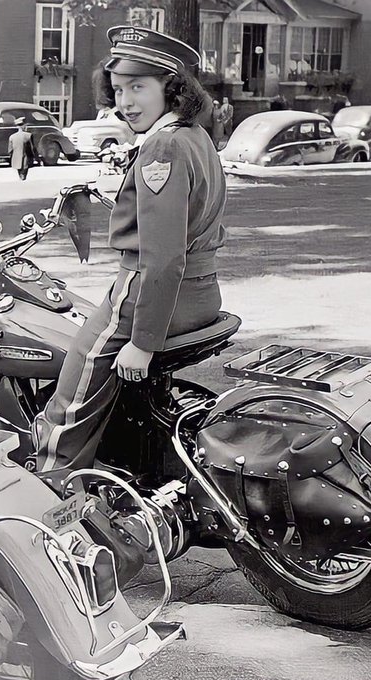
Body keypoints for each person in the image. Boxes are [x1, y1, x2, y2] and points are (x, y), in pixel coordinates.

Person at [34, 25, 226, 475]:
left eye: (139, 87)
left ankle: (50, 484)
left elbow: (162, 258)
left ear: (172, 88)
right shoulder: (193, 135)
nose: (126, 101)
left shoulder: (162, 146)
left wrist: (142, 342)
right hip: (203, 292)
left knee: (71, 396)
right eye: (119, 89)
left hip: (147, 296)